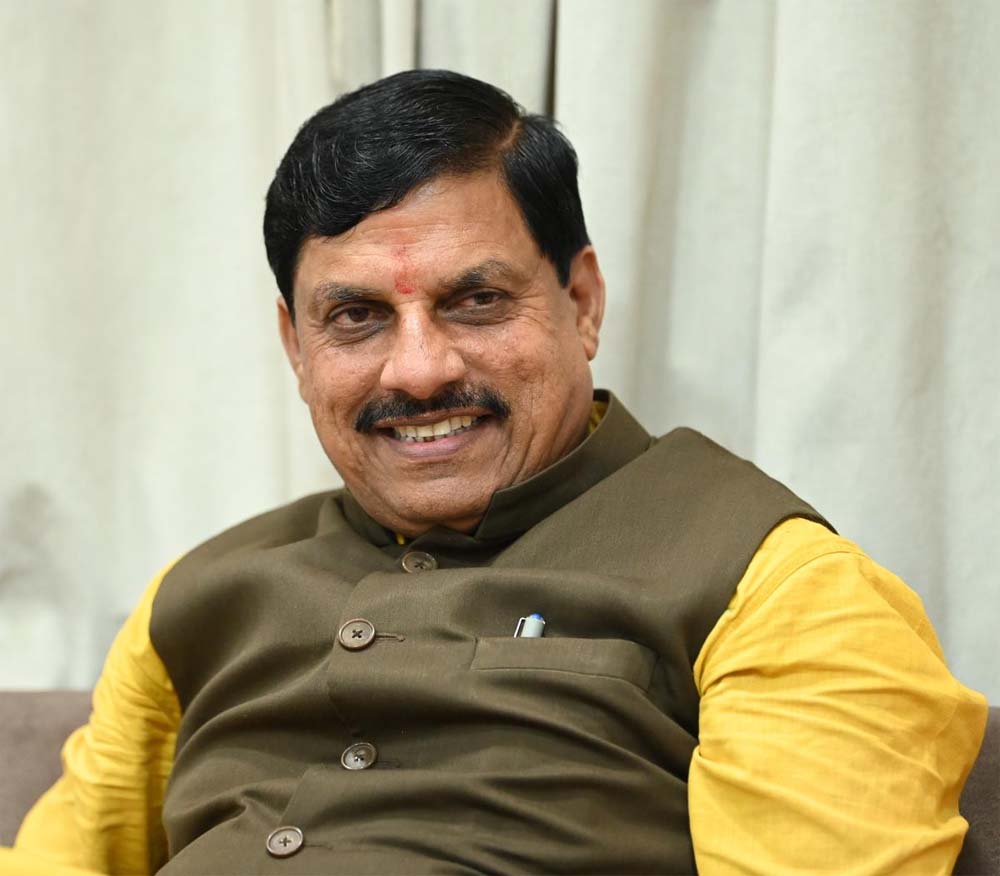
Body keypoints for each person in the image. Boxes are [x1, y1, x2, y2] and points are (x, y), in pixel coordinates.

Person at [2, 69, 987, 876]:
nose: (419, 369)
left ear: (582, 302)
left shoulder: (774, 585)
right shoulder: (195, 598)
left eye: (474, 300)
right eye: (356, 317)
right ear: (295, 345)